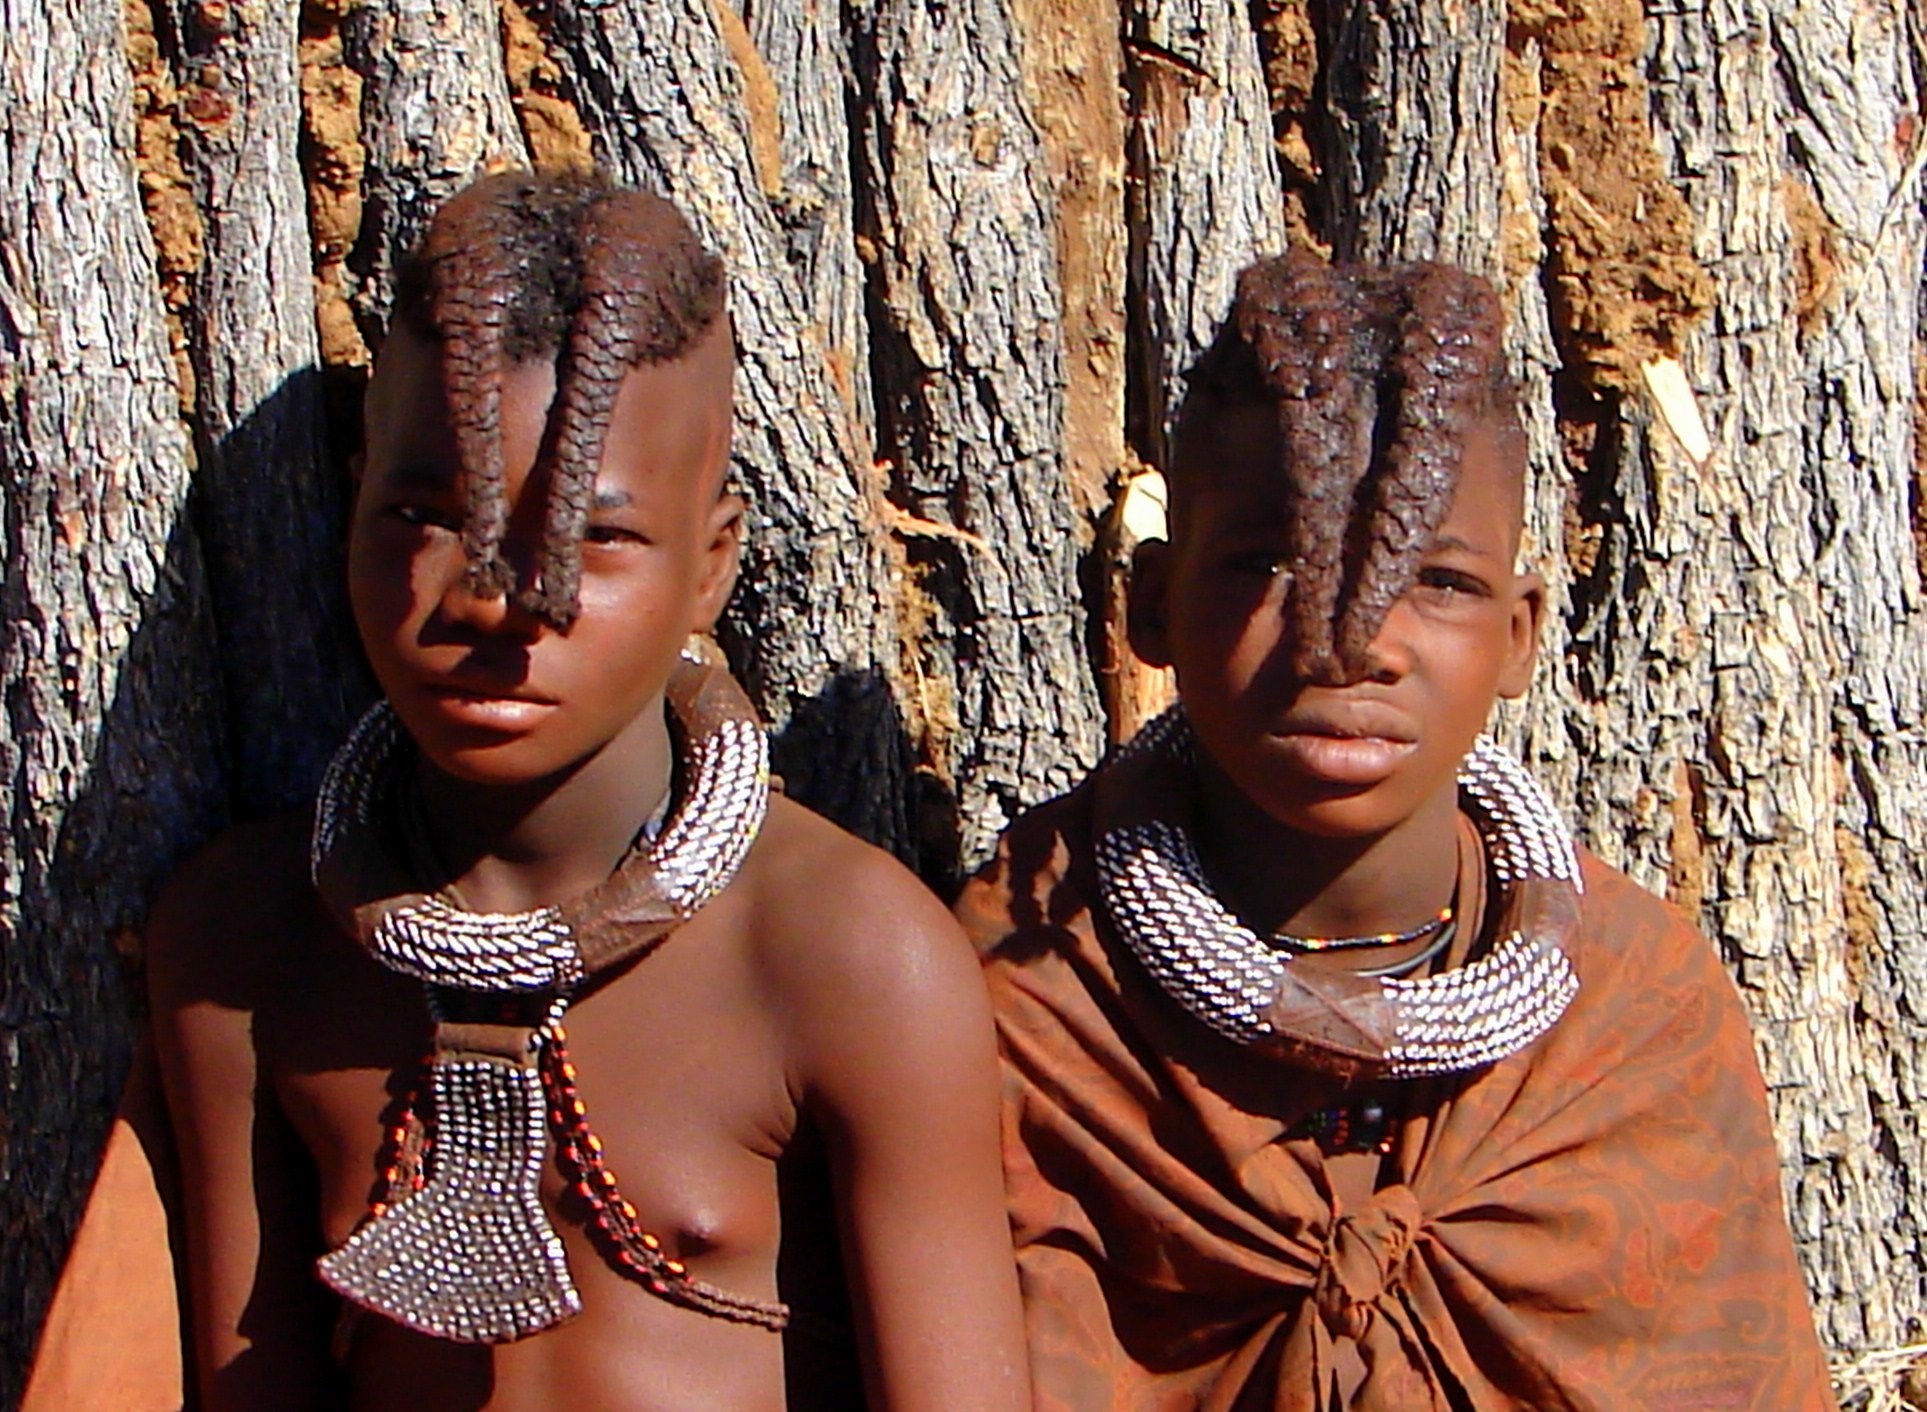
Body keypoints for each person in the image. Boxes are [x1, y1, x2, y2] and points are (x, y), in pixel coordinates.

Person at [135, 171, 1027, 1411]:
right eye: (425, 514)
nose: (496, 603)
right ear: (348, 512)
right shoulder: (246, 940)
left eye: (593, 539)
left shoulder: (848, 954)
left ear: (712, 564)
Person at [954, 251, 1836, 1409]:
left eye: (1437, 582)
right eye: (1270, 564)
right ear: (1151, 605)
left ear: (1520, 635)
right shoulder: (1020, 1003)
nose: (1346, 640)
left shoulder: (1639, 1019)